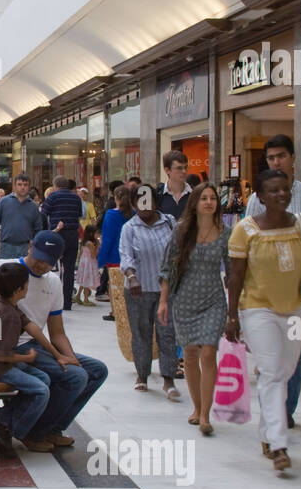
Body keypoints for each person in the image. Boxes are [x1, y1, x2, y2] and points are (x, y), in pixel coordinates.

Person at [226, 169, 301, 472]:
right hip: (257, 309)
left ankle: (268, 431)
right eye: (274, 191)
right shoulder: (246, 230)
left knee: (285, 370)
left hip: (294, 310)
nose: (281, 195)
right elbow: (236, 275)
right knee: (270, 371)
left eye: (285, 189)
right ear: (261, 197)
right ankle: (279, 445)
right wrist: (231, 315)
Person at [0, 231, 109, 443]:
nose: (41, 265)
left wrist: (68, 357)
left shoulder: (52, 283)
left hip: (33, 345)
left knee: (96, 371)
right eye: (39, 258)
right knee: (75, 377)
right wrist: (1, 287)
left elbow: (56, 332)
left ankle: (52, 428)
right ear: (31, 246)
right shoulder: (4, 269)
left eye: (48, 262)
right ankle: (34, 431)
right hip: (8, 348)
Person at [244, 134, 301, 426]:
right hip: (265, 289)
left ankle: (285, 410)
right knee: (269, 351)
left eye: (281, 156)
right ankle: (273, 407)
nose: (276, 161)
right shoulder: (257, 199)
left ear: (293, 159)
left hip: (299, 287)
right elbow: (245, 240)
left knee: (295, 350)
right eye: (270, 158)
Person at [158, 183, 229, 434]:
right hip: (185, 300)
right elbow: (168, 267)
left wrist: (239, 307)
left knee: (208, 352)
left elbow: (233, 271)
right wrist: (164, 300)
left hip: (214, 300)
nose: (209, 202)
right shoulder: (181, 231)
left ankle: (207, 415)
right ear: (195, 203)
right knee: (189, 355)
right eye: (204, 198)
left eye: (213, 198)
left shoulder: (225, 232)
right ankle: (197, 408)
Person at [0, 262, 65, 452]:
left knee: (43, 378)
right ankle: (9, 428)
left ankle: (0, 416)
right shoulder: (7, 314)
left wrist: (57, 354)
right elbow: (1, 356)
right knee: (41, 390)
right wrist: (27, 359)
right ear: (19, 289)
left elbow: (30, 326)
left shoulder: (0, 302)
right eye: (26, 284)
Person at [120, 200, 179, 399]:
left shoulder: (170, 223)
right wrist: (131, 276)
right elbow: (126, 255)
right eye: (140, 201)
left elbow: (178, 252)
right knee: (140, 333)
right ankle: (142, 375)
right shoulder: (129, 227)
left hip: (165, 288)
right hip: (139, 289)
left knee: (167, 333)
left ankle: (168, 377)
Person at [42, 175, 84, 309]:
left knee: (50, 267)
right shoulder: (76, 198)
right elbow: (79, 214)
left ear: (55, 186)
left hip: (57, 234)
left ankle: (51, 300)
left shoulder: (53, 197)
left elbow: (43, 213)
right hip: (72, 235)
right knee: (69, 270)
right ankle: (67, 302)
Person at [98, 185, 134, 321]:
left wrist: (101, 259)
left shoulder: (111, 215)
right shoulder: (135, 214)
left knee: (114, 286)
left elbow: (107, 239)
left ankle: (115, 312)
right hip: (130, 256)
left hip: (114, 256)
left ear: (115, 198)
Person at [0, 174, 44, 261]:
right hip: (6, 247)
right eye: (19, 184)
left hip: (26, 247)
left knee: (24, 273)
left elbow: (38, 229)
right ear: (14, 186)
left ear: (29, 187)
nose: (23, 187)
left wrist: (34, 245)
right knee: (6, 273)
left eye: (25, 185)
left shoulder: (33, 206)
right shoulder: (4, 202)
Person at [157, 151, 192, 220]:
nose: (184, 171)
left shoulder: (195, 194)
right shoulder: (157, 195)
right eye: (179, 168)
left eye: (186, 167)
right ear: (167, 170)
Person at [76, 224, 100, 305]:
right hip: (89, 263)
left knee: (84, 280)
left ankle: (78, 295)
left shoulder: (84, 242)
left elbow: (82, 253)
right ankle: (86, 299)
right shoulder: (91, 243)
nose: (98, 235)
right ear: (91, 234)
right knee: (86, 280)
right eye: (96, 233)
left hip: (84, 263)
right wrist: (98, 246)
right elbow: (94, 255)